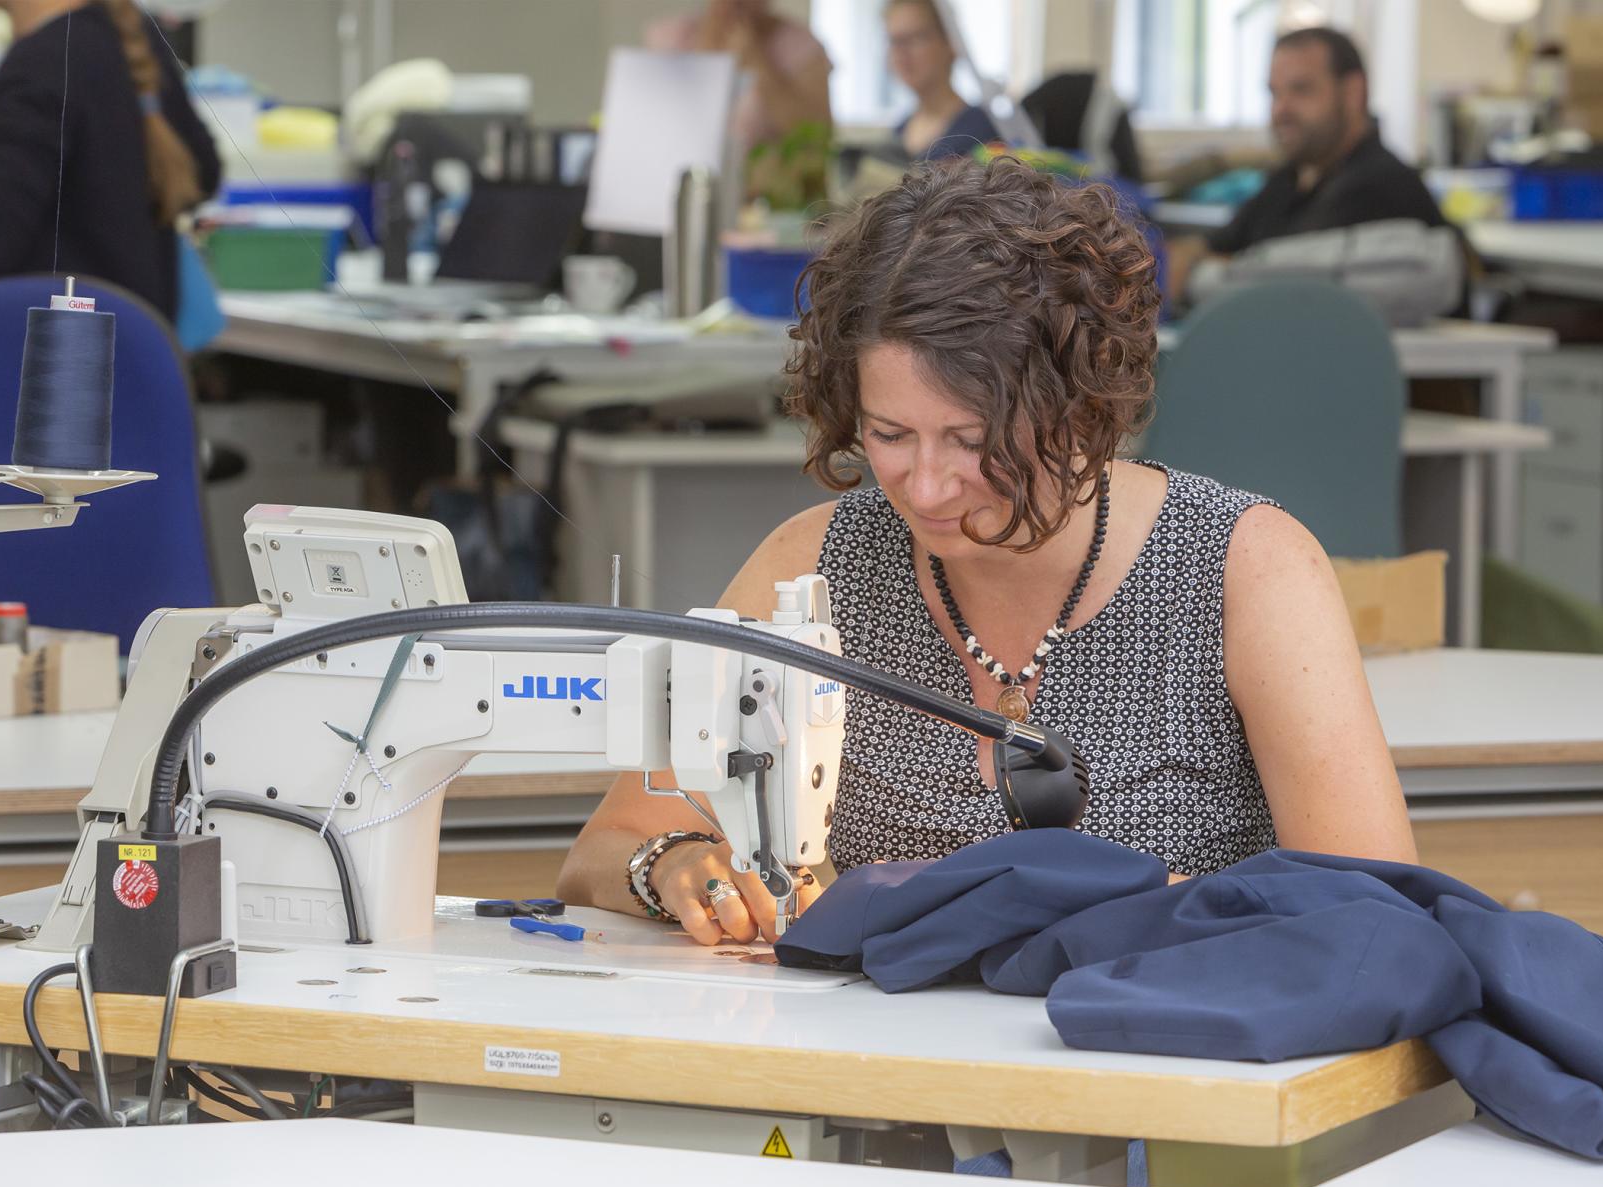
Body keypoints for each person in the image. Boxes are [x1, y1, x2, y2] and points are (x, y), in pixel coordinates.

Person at [557, 157, 1418, 945]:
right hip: (887, 1070)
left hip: (1169, 1068)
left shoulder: (1244, 570)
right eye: (890, 433)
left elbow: (1382, 915)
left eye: (972, 440)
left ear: (1082, 407)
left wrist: (1076, 900)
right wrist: (670, 862)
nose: (924, 488)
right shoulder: (816, 567)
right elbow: (607, 845)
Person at [0, 0, 220, 322]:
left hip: (59, 351)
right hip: (132, 342)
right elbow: (203, 173)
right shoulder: (130, 36)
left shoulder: (42, 60)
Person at [1167, 26, 1446, 304]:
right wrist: (1196, 255)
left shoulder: (1383, 185)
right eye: (1274, 93)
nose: (1280, 110)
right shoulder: (1289, 178)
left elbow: (1271, 276)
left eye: (1301, 90)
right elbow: (1215, 246)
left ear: (1353, 92)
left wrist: (1208, 264)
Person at [646, 0, 833, 152]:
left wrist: (758, 63)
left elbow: (818, 135)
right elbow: (654, 130)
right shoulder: (670, 38)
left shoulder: (801, 46)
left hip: (771, 192)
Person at [885, 0, 997, 160]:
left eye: (915, 38)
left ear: (950, 42)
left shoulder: (981, 131)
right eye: (895, 41)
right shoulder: (898, 132)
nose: (901, 53)